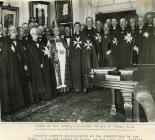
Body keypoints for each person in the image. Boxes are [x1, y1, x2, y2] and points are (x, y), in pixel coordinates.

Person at [3, 25, 25, 116]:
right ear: (8, 32)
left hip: (15, 68)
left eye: (15, 30)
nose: (14, 32)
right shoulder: (6, 42)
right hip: (9, 69)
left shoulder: (14, 42)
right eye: (12, 30)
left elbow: (18, 54)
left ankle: (17, 105)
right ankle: (12, 106)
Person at [26, 28, 46, 103]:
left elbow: (42, 53)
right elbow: (29, 56)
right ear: (31, 35)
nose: (36, 35)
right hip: (33, 65)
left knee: (41, 80)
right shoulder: (29, 44)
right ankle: (36, 98)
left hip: (40, 64)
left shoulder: (40, 43)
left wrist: (41, 62)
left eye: (36, 34)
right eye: (34, 34)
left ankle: (42, 96)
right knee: (35, 82)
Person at [51, 22, 70, 93]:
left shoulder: (62, 39)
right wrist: (58, 52)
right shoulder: (51, 39)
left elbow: (66, 48)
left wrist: (63, 52)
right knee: (57, 74)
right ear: (53, 31)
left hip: (63, 59)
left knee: (64, 72)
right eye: (55, 30)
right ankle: (59, 89)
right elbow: (51, 50)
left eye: (58, 30)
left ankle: (64, 88)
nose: (57, 32)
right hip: (57, 60)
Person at [82, 17, 98, 92]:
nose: (89, 23)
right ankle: (87, 84)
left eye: (90, 21)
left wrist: (97, 52)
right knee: (87, 68)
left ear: (92, 23)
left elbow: (98, 43)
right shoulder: (83, 32)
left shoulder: (95, 31)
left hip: (94, 53)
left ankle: (95, 83)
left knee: (94, 67)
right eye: (87, 21)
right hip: (86, 54)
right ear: (86, 22)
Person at [70, 22, 83, 92]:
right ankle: (77, 87)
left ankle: (84, 86)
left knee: (83, 71)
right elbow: (70, 48)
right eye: (76, 26)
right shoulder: (72, 37)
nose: (77, 28)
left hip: (82, 57)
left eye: (78, 26)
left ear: (80, 27)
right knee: (76, 72)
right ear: (74, 28)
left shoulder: (83, 35)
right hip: (75, 58)